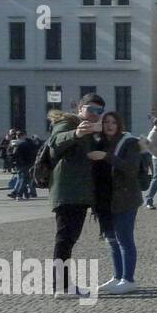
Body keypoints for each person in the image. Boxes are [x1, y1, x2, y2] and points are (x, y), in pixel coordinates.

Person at [47, 94, 106, 296]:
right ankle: (61, 286)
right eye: (90, 109)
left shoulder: (92, 130)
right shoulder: (68, 122)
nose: (94, 114)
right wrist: (76, 134)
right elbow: (55, 142)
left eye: (99, 111)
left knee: (69, 239)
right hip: (68, 192)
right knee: (64, 239)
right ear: (80, 107)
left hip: (79, 193)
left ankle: (62, 285)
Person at [90, 111, 144, 294]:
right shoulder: (100, 142)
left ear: (119, 124)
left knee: (124, 239)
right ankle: (117, 276)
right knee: (111, 240)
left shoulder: (130, 143)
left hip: (125, 198)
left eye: (113, 122)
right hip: (106, 199)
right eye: (106, 122)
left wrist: (106, 157)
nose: (109, 125)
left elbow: (130, 169)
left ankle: (128, 279)